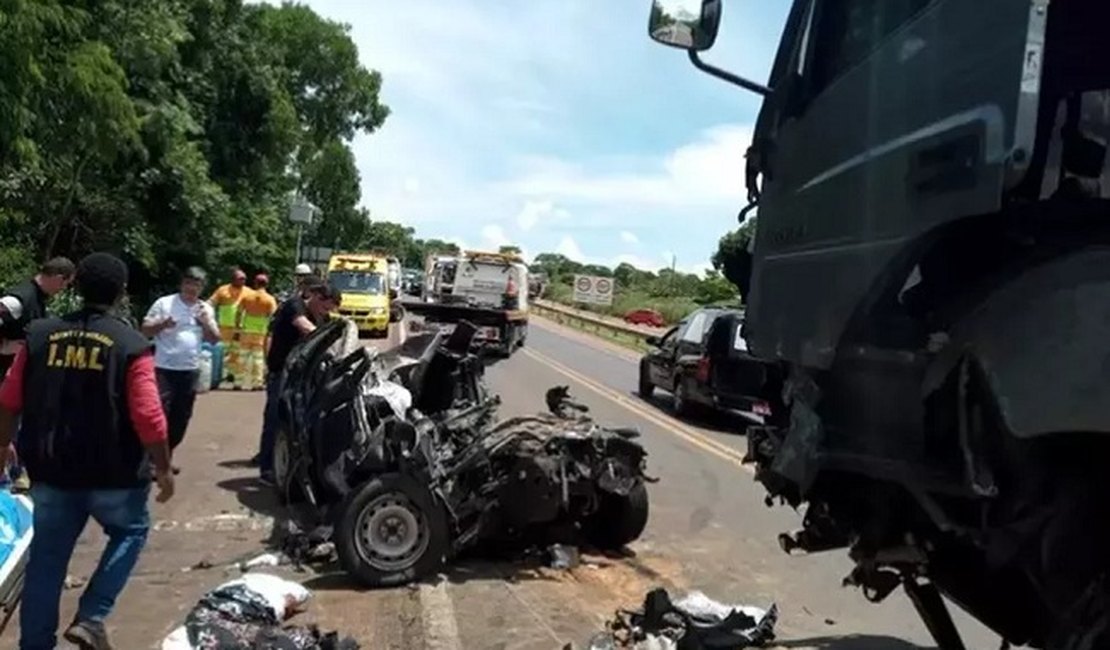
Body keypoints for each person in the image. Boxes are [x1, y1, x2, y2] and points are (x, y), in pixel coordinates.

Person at [0, 252, 174, 650]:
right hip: (113, 474)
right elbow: (150, 416)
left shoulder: (40, 335)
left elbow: (8, 400)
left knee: (46, 560)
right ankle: (92, 615)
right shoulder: (131, 344)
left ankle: (36, 645)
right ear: (121, 293)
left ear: (75, 284)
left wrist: (1, 448)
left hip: (51, 470)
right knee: (131, 531)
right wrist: (163, 468)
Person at [0, 256, 76, 491]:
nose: (63, 290)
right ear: (57, 278)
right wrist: (5, 347)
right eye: (64, 284)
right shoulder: (18, 299)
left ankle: (15, 476)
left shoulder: (38, 300)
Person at [255, 281, 341, 484]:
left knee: (296, 422)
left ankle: (285, 462)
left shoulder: (322, 316)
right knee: (275, 419)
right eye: (325, 307)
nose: (325, 312)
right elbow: (307, 329)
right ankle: (266, 468)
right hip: (280, 373)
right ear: (317, 298)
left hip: (300, 377)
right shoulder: (295, 306)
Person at [142, 267, 221, 458]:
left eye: (196, 285)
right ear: (182, 284)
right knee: (160, 414)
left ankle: (166, 455)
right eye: (188, 283)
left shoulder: (205, 309)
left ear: (202, 287)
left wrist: (205, 322)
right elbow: (145, 329)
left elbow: (214, 339)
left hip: (190, 369)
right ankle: (153, 459)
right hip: (163, 368)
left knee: (181, 417)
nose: (191, 288)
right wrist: (162, 324)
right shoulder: (165, 303)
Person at [207, 267, 253, 384]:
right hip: (224, 327)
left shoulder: (249, 292)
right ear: (233, 279)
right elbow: (211, 302)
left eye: (244, 279)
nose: (243, 281)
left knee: (236, 352)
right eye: (240, 279)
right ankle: (219, 374)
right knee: (222, 351)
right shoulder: (223, 290)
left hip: (240, 328)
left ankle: (232, 374)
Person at [234, 273, 278, 391]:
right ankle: (257, 383)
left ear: (255, 283)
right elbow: (274, 316)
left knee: (242, 357)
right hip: (260, 331)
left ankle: (238, 382)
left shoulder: (248, 297)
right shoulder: (269, 299)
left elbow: (239, 312)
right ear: (267, 284)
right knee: (258, 358)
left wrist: (238, 326)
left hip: (247, 329)